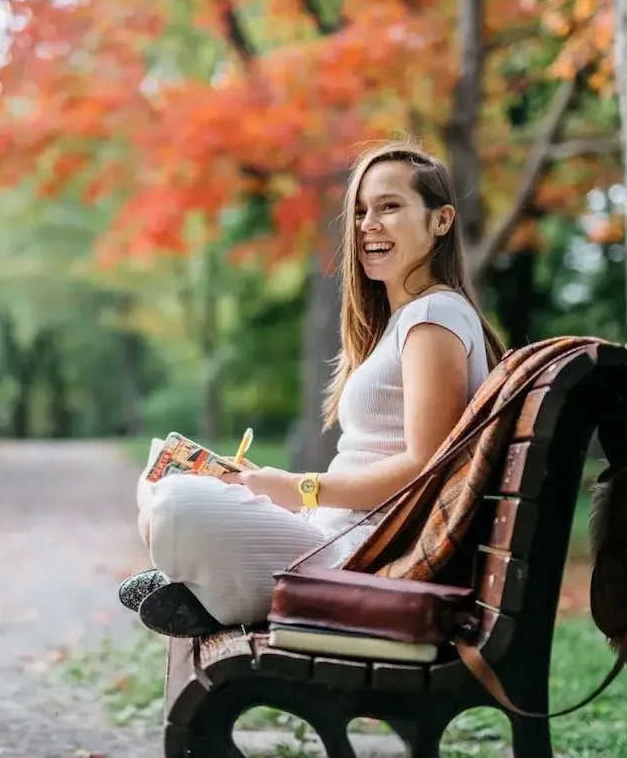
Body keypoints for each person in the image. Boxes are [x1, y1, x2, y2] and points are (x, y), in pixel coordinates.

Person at [119, 139, 507, 637]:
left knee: (176, 503)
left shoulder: (434, 317)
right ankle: (216, 591)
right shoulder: (407, 321)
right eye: (362, 210)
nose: (369, 224)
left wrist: (301, 487)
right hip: (329, 533)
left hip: (359, 556)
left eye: (390, 206)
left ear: (441, 221)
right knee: (158, 488)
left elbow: (424, 464)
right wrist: (274, 489)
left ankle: (219, 595)